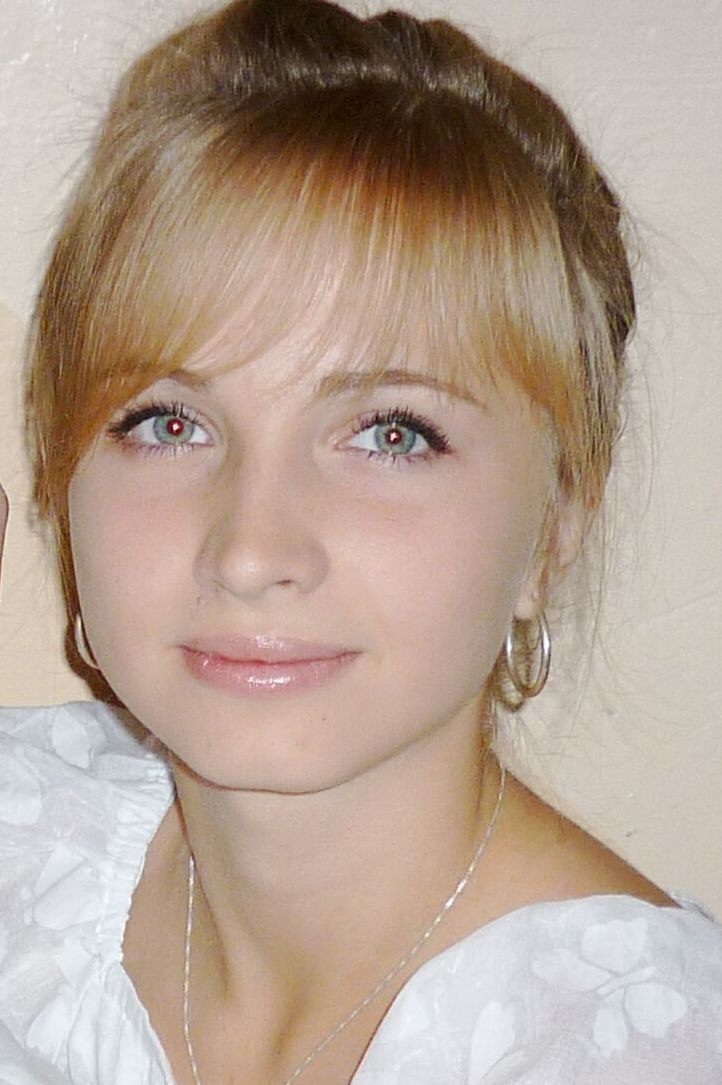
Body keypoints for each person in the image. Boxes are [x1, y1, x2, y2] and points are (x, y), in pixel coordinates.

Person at [0, 0, 720, 1081]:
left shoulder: (638, 1048)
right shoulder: (30, 844)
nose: (250, 551)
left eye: (391, 433)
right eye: (169, 422)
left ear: (556, 522)